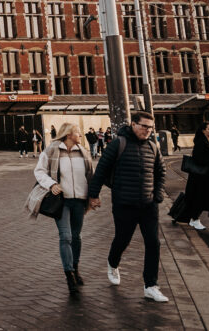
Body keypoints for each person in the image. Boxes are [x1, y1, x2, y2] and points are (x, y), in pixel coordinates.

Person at [87, 111, 169, 303]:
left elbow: (161, 172)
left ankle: (151, 286)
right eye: (144, 126)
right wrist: (93, 196)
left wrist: (157, 194)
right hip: (124, 204)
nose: (147, 130)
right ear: (133, 124)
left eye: (150, 127)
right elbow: (100, 171)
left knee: (153, 243)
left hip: (148, 205)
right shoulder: (118, 144)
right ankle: (112, 263)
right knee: (123, 240)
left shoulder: (152, 146)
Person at [34, 123, 94, 296]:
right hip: (62, 201)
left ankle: (75, 268)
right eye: (77, 133)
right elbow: (39, 171)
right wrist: (51, 184)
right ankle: (69, 276)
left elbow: (90, 175)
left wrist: (93, 196)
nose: (80, 136)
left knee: (76, 237)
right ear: (69, 134)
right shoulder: (52, 150)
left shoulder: (83, 152)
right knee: (66, 236)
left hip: (80, 200)